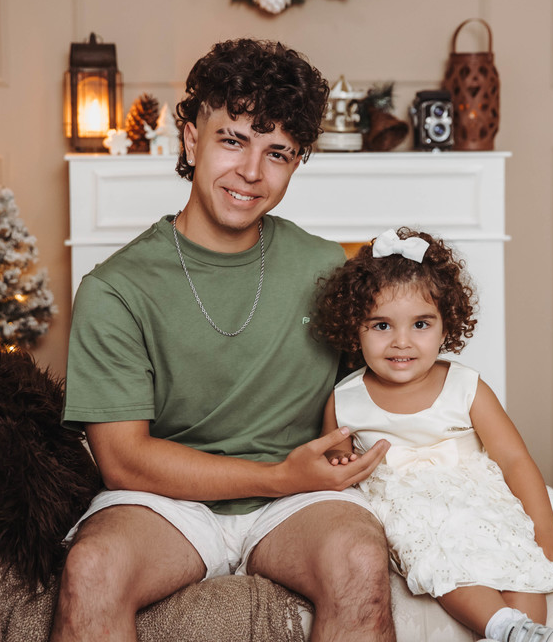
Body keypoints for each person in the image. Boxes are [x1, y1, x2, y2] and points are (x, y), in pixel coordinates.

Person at [53, 38, 395, 642]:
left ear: (297, 162)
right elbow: (123, 460)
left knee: (360, 560)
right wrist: (277, 476)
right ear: (191, 139)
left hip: (299, 502)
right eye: (232, 141)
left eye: (277, 153)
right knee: (93, 567)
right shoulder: (115, 289)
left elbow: (380, 386)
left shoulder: (327, 268)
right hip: (166, 503)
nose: (251, 173)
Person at [313, 228, 553, 642]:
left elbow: (514, 459)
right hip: (413, 510)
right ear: (356, 329)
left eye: (420, 324)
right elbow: (335, 465)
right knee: (446, 562)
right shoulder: (346, 398)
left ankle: (530, 633)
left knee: (520, 558)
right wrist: (341, 462)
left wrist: (546, 530)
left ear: (446, 329)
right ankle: (502, 626)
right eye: (382, 325)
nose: (401, 342)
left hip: (481, 496)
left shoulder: (466, 386)